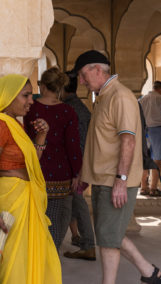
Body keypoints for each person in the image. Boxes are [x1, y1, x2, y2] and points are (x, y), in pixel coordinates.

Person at [73, 50, 161, 284]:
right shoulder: (104, 96)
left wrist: (121, 180)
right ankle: (150, 273)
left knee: (107, 237)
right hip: (104, 178)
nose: (82, 81)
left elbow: (128, 140)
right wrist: (86, 175)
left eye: (83, 75)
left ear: (97, 70)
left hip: (115, 180)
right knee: (110, 233)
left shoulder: (120, 96)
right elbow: (101, 142)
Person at [0, 74, 61, 283]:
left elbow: (29, 165)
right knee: (14, 264)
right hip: (10, 202)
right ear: (8, 97)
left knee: (28, 258)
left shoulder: (14, 124)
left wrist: (41, 137)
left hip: (24, 198)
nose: (31, 100)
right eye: (25, 95)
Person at [24, 67, 82, 250]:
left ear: (42, 86)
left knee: (34, 219)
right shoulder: (68, 111)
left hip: (34, 170)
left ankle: (36, 259)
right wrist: (76, 173)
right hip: (60, 173)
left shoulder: (29, 108)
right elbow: (73, 145)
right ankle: (50, 256)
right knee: (56, 220)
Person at [61, 71, 96, 261]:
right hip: (78, 165)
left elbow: (79, 144)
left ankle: (89, 245)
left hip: (76, 168)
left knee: (77, 202)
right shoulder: (78, 107)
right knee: (73, 202)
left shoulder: (70, 109)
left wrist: (78, 172)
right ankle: (79, 239)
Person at [139, 81, 161, 197]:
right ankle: (153, 189)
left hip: (143, 131)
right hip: (157, 131)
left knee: (145, 160)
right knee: (158, 161)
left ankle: (144, 187)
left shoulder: (142, 99)